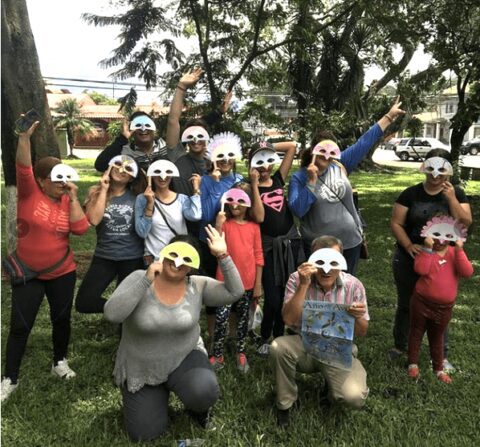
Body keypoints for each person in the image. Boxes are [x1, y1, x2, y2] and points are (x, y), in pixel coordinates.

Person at [103, 227, 244, 442]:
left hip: (184, 357)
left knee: (204, 391)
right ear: (165, 251)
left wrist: (223, 256)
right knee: (144, 434)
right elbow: (112, 314)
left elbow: (236, 292)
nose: (178, 261)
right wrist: (146, 280)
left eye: (187, 259)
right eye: (175, 253)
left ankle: (196, 406)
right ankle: (156, 397)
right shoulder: (140, 277)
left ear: (191, 267)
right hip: (142, 365)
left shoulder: (198, 285)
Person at [1, 119, 89, 402]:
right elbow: (23, 167)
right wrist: (24, 138)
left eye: (64, 178)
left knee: (61, 319)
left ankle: (59, 362)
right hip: (29, 273)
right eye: (55, 178)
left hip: (62, 271)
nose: (62, 183)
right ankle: (9, 378)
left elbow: (80, 230)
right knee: (20, 326)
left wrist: (73, 198)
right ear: (41, 181)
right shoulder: (29, 193)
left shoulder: (67, 199)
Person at [288, 97, 406, 274]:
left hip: (349, 242)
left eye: (331, 152)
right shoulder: (299, 178)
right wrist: (311, 182)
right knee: (319, 290)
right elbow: (298, 210)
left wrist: (388, 116)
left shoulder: (340, 164)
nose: (326, 156)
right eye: (321, 150)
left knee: (345, 288)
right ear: (313, 149)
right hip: (317, 246)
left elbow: (364, 142)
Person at [270, 236, 369, 426]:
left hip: (337, 349)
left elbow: (363, 331)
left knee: (354, 396)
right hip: (302, 343)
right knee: (277, 347)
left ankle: (331, 391)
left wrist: (358, 316)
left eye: (334, 261)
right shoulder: (296, 279)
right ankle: (286, 403)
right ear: (311, 259)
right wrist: (304, 285)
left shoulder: (354, 285)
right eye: (321, 261)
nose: (326, 269)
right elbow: (288, 320)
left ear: (342, 260)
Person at [389, 149, 472, 368]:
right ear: (424, 167)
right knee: (407, 304)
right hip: (411, 258)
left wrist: (451, 198)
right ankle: (401, 347)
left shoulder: (458, 193)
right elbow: (396, 223)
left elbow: (465, 222)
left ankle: (441, 356)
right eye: (431, 169)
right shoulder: (411, 193)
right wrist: (408, 245)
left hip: (443, 263)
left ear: (449, 171)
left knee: (441, 307)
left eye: (441, 170)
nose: (435, 175)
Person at [247, 141, 305, 356]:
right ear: (251, 163)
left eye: (268, 160)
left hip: (291, 245)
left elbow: (291, 146)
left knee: (286, 295)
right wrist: (254, 184)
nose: (265, 167)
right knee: (272, 298)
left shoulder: (279, 178)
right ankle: (264, 336)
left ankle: (279, 334)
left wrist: (265, 145)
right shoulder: (247, 186)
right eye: (258, 161)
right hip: (269, 249)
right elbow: (260, 217)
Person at [75, 156, 145, 314]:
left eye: (128, 168)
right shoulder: (96, 192)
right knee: (84, 302)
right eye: (118, 164)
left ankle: (125, 327)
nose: (121, 170)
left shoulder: (137, 197)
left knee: (129, 304)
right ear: (109, 167)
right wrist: (104, 189)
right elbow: (94, 219)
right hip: (104, 256)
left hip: (131, 258)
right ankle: (118, 309)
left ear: (132, 176)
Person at [209, 184, 264, 373]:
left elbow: (258, 256)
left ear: (248, 203)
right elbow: (215, 244)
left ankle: (241, 352)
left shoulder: (254, 227)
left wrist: (257, 285)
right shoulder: (225, 224)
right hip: (224, 282)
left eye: (241, 200)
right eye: (231, 200)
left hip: (247, 284)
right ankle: (217, 354)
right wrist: (218, 222)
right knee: (221, 320)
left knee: (242, 320)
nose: (235, 205)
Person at [407, 229, 473, 383]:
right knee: (416, 332)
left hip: (444, 308)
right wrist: (428, 249)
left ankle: (438, 368)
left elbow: (467, 272)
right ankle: (412, 363)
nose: (440, 240)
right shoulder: (426, 252)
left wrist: (459, 250)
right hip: (421, 302)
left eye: (446, 236)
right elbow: (421, 269)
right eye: (436, 235)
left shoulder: (454, 253)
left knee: (437, 336)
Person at [165, 67, 232, 198]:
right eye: (191, 135)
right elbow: (173, 120)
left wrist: (219, 112)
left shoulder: (215, 163)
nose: (196, 139)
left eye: (200, 135)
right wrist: (181, 87)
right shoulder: (177, 155)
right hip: (183, 216)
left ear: (207, 137)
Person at [134, 160, 202, 265]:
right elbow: (142, 232)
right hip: (155, 259)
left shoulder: (182, 199)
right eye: (157, 173)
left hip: (178, 256)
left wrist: (196, 191)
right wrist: (149, 204)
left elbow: (195, 216)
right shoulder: (142, 199)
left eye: (167, 173)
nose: (162, 177)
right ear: (151, 175)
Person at [94, 111, 184, 172]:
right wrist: (122, 138)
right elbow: (100, 165)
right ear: (131, 129)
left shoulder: (165, 145)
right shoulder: (125, 151)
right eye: (138, 125)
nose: (143, 129)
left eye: (147, 124)